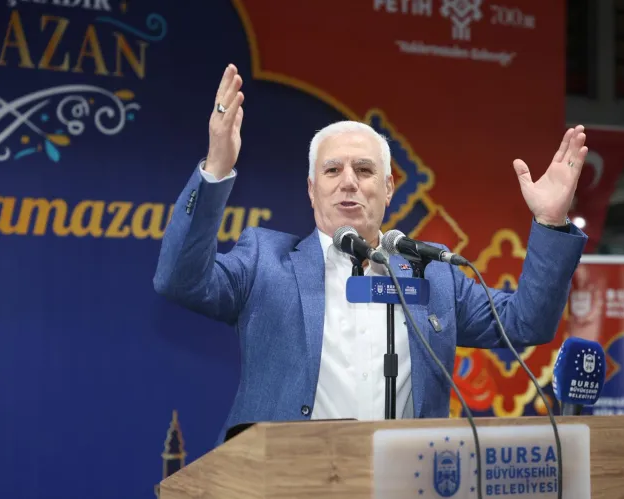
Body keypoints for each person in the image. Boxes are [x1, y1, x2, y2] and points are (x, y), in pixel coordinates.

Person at [153, 64, 589, 442]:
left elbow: (525, 322)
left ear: (388, 188)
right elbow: (179, 279)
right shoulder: (264, 263)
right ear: (311, 189)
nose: (349, 181)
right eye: (332, 170)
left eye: (364, 170)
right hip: (286, 478)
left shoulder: (430, 274)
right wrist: (216, 169)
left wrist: (550, 222)